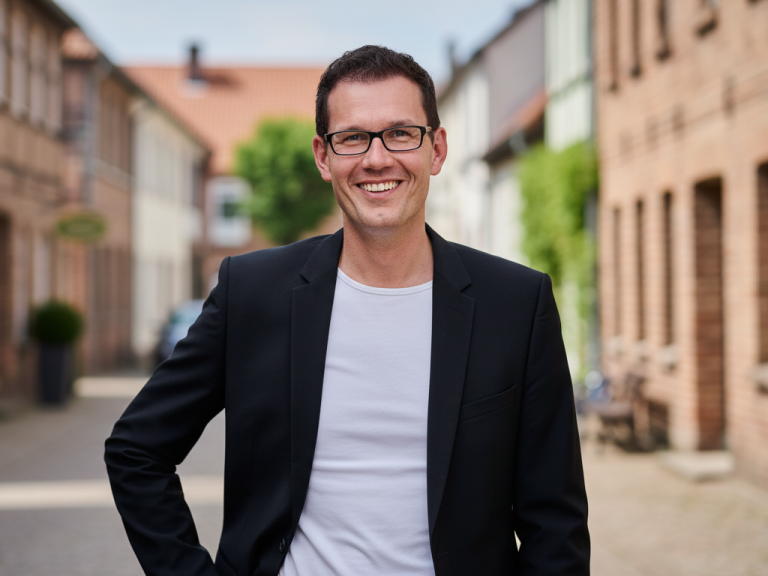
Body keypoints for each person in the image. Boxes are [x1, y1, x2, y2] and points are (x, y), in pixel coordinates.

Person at [105, 45, 590, 576]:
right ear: (323, 156)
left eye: (401, 133)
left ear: (437, 149)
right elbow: (137, 449)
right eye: (353, 137)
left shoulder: (516, 304)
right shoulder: (253, 294)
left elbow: (554, 525)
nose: (376, 159)